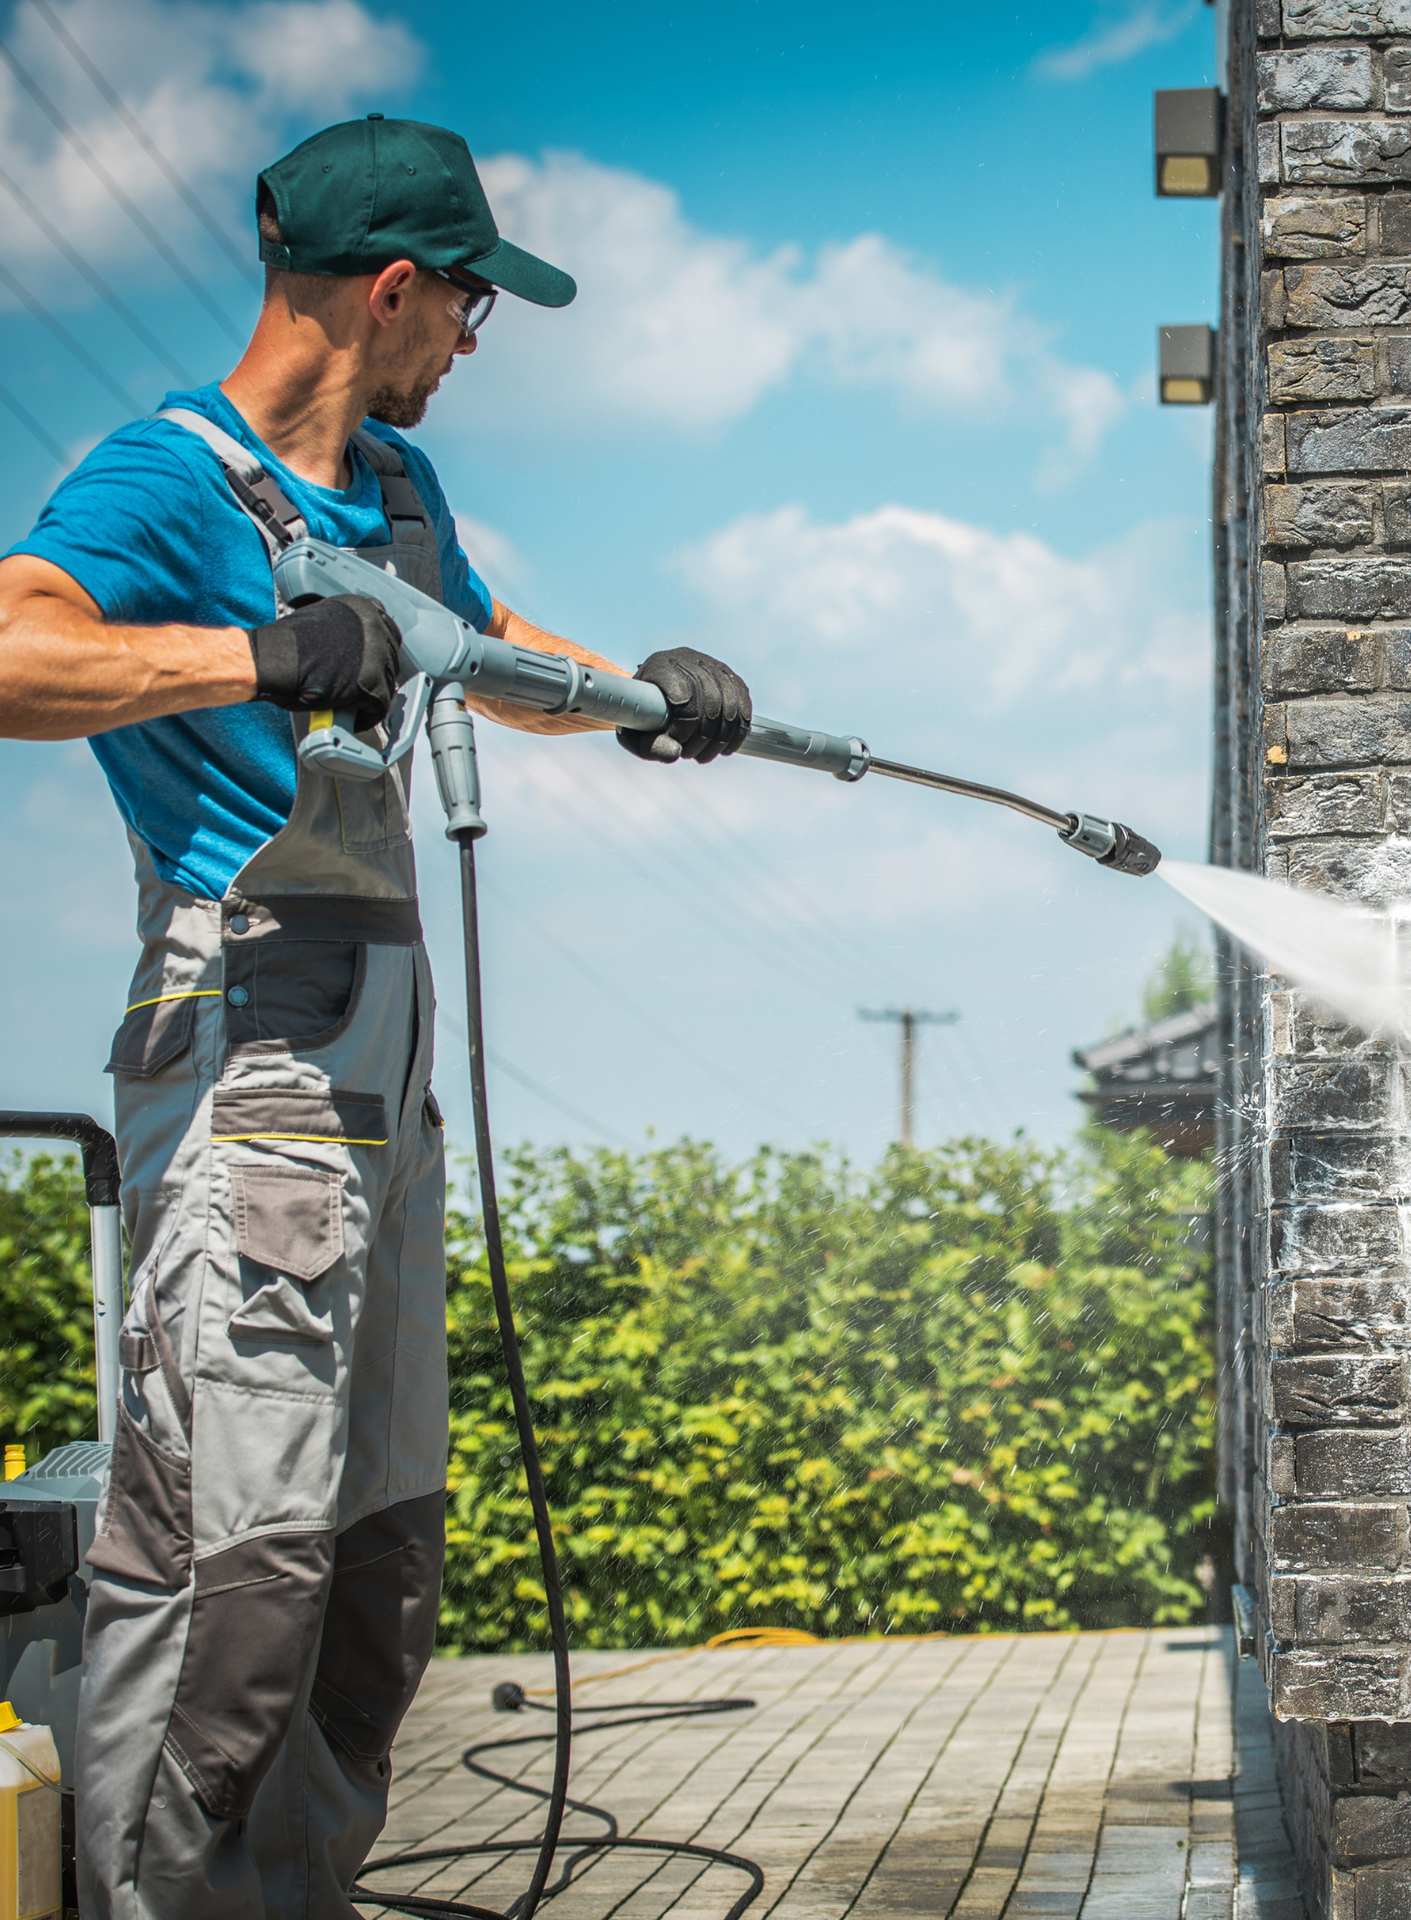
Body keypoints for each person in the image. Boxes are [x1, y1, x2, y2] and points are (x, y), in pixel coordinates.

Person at [0, 114, 750, 1920]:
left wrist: (637, 692)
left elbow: (474, 643)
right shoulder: (172, 477)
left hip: (383, 1085)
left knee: (366, 1571)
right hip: (251, 1053)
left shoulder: (401, 499)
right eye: (472, 305)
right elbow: (12, 648)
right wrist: (253, 653)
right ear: (393, 289)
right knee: (227, 1577)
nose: (476, 345)